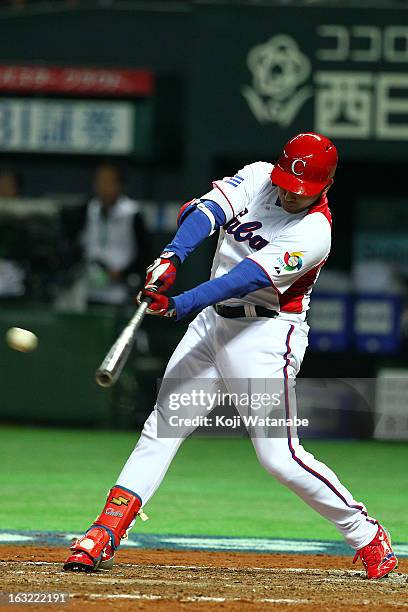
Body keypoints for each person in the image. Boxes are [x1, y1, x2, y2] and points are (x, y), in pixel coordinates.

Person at [63, 133, 398, 580]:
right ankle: (104, 531)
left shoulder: (315, 232)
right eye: (285, 183)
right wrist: (171, 256)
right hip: (212, 325)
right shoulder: (261, 177)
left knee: (278, 457)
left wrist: (181, 303)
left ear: (325, 186)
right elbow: (205, 212)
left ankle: (366, 533)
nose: (287, 194)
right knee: (163, 426)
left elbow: (245, 277)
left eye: (301, 191)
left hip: (264, 334)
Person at [60, 163, 149, 306]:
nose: (103, 187)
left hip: (123, 289)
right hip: (91, 288)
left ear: (120, 185)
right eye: (99, 182)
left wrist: (123, 273)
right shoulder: (87, 210)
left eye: (108, 182)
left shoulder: (132, 214)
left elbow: (145, 254)